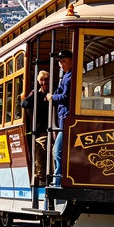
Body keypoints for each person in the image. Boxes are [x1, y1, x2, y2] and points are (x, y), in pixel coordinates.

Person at [21, 70, 50, 186]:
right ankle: (42, 177)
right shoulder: (36, 94)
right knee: (40, 154)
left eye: (46, 80)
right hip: (40, 129)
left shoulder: (53, 93)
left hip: (51, 127)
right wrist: (29, 95)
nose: (44, 83)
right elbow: (24, 104)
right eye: (42, 80)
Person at [49, 50, 73, 186]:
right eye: (60, 62)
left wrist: (52, 97)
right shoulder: (66, 76)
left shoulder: (70, 78)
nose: (61, 64)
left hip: (66, 119)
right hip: (63, 118)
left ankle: (58, 182)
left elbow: (65, 96)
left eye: (64, 61)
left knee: (58, 151)